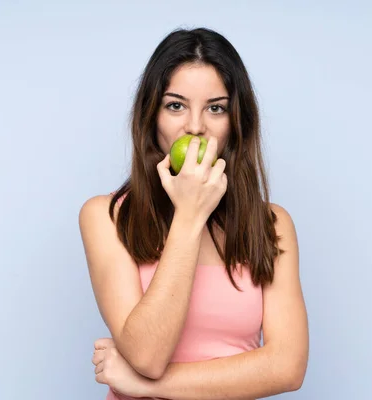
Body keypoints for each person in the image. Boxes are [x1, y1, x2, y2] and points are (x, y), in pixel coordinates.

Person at [79, 27, 309, 400]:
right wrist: (189, 216)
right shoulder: (106, 217)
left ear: (236, 122)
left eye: (215, 108)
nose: (196, 126)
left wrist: (142, 384)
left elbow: (287, 366)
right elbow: (147, 355)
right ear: (151, 117)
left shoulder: (271, 225)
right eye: (176, 105)